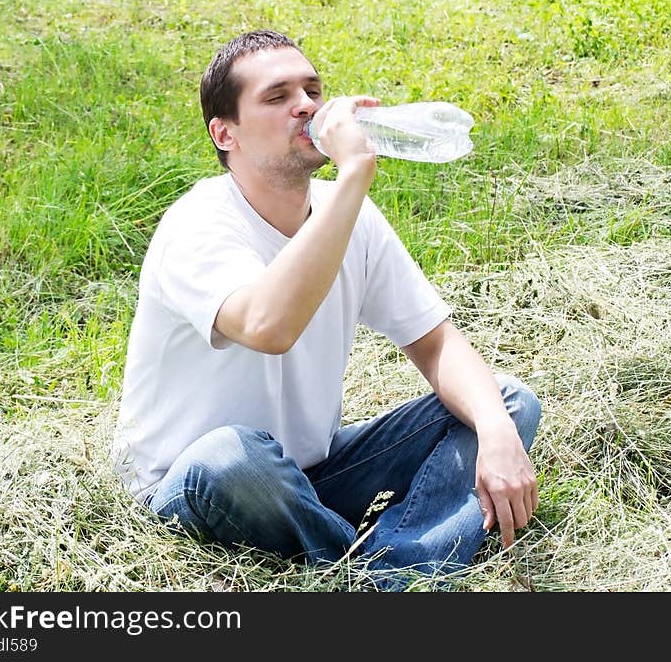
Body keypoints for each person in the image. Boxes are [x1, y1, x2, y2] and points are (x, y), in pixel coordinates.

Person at [112, 29, 542, 590]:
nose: (307, 107)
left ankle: (386, 573)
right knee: (230, 455)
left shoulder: (352, 217)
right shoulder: (198, 224)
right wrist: (355, 174)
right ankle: (397, 575)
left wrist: (495, 430)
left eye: (313, 90)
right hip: (195, 485)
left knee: (507, 402)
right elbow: (269, 326)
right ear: (226, 133)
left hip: (313, 471)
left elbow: (435, 342)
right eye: (277, 97)